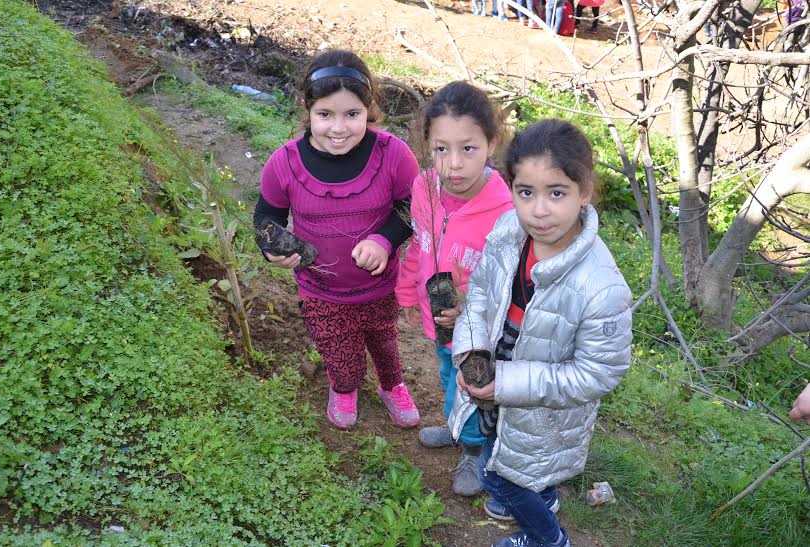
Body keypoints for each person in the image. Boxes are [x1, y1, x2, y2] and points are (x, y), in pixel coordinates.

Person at [449, 119, 633, 547]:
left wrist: (507, 383)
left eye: (557, 193)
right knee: (500, 443)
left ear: (584, 193)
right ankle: (543, 496)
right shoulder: (507, 232)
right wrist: (471, 352)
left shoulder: (601, 287)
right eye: (526, 192)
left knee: (500, 477)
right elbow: (480, 296)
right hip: (497, 372)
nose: (539, 210)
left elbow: (598, 373)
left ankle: (549, 539)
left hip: (544, 411)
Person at [253, 50, 421, 431]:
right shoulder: (284, 164)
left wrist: (384, 240)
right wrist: (272, 248)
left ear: (369, 109)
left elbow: (413, 208)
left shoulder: (393, 155)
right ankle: (344, 387)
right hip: (321, 289)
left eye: (352, 114)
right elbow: (266, 218)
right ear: (307, 109)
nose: (339, 128)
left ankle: (391, 385)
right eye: (325, 114)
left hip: (381, 285)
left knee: (384, 339)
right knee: (339, 350)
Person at [395, 81, 513, 496]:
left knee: (473, 382)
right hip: (439, 315)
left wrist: (472, 308)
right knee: (448, 372)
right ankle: (456, 424)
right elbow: (419, 244)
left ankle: (475, 448)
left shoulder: (507, 211)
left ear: (491, 144)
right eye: (441, 149)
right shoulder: (424, 188)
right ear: (427, 146)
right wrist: (408, 291)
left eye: (468, 148)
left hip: (478, 329)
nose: (454, 164)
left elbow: (509, 285)